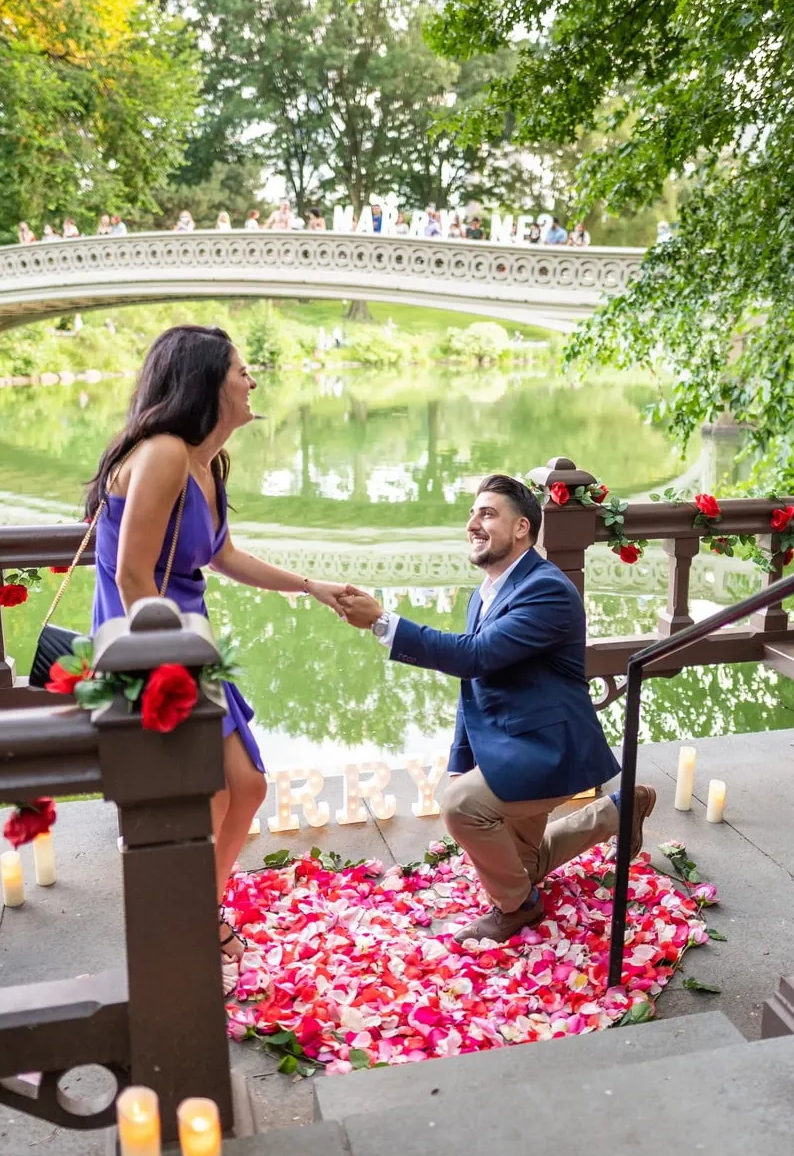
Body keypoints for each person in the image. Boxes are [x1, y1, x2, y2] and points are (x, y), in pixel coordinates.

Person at [85, 326, 356, 985]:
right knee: (205, 793)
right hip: (149, 642)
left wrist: (309, 586)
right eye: (241, 369)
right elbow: (131, 575)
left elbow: (222, 555)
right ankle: (180, 924)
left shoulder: (207, 462)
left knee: (248, 786)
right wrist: (168, 669)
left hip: (189, 637)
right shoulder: (164, 455)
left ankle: (197, 909)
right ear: (208, 381)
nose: (252, 380)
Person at [334, 476, 656, 943]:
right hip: (510, 742)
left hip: (550, 749)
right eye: (472, 513)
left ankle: (518, 908)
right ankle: (621, 810)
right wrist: (460, 761)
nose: (473, 524)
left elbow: (475, 655)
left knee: (462, 807)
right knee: (524, 865)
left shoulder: (547, 590)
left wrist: (384, 622)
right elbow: (473, 682)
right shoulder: (485, 592)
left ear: (522, 527)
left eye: (487, 513)